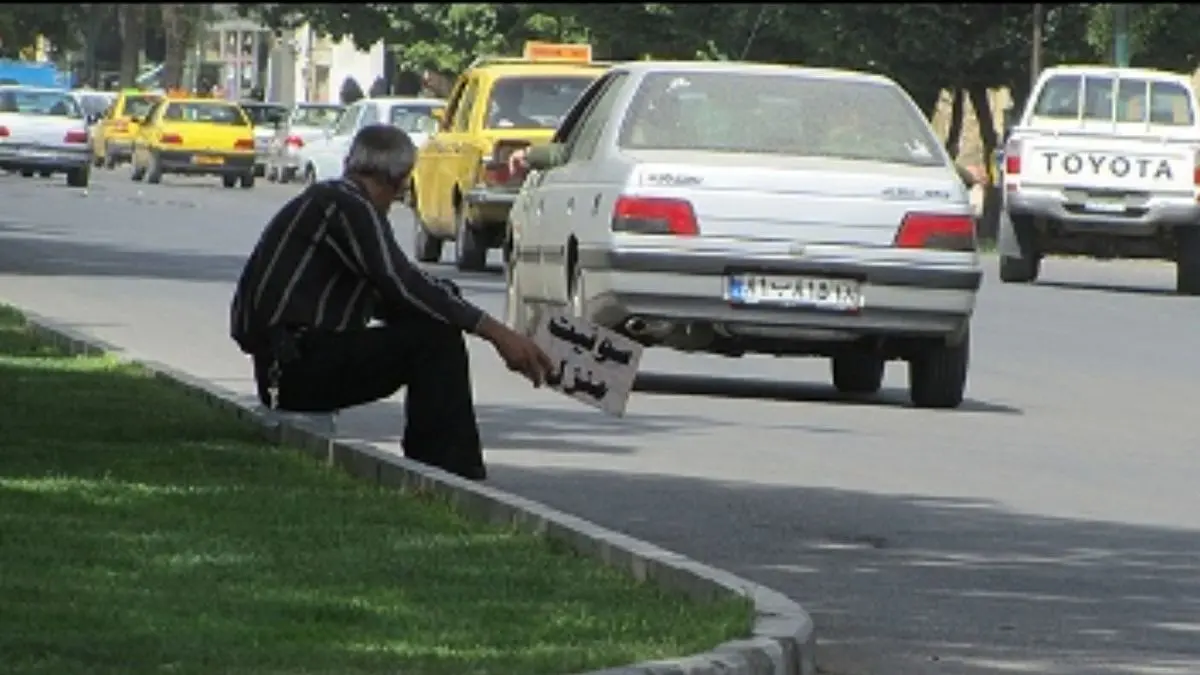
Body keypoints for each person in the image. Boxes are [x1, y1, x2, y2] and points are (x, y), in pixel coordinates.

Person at [230, 124, 553, 481]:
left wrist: (450, 303)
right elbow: (401, 282)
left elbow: (399, 296)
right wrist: (496, 334)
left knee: (437, 315)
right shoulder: (347, 206)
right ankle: (449, 474)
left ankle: (444, 466)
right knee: (434, 342)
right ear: (398, 179)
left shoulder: (329, 200)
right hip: (294, 368)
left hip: (286, 364)